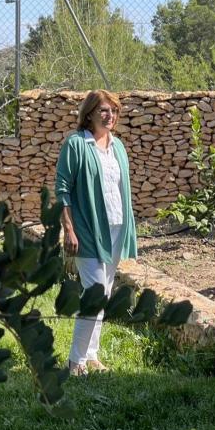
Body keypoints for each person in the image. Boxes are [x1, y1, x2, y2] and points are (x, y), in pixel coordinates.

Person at [55, 89, 138, 376]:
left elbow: (120, 190)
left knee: (103, 294)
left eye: (114, 110)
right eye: (104, 110)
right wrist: (69, 228)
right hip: (88, 230)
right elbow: (62, 188)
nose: (110, 115)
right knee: (94, 294)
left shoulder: (117, 147)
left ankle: (91, 355)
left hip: (115, 229)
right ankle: (75, 361)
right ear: (89, 113)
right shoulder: (76, 144)